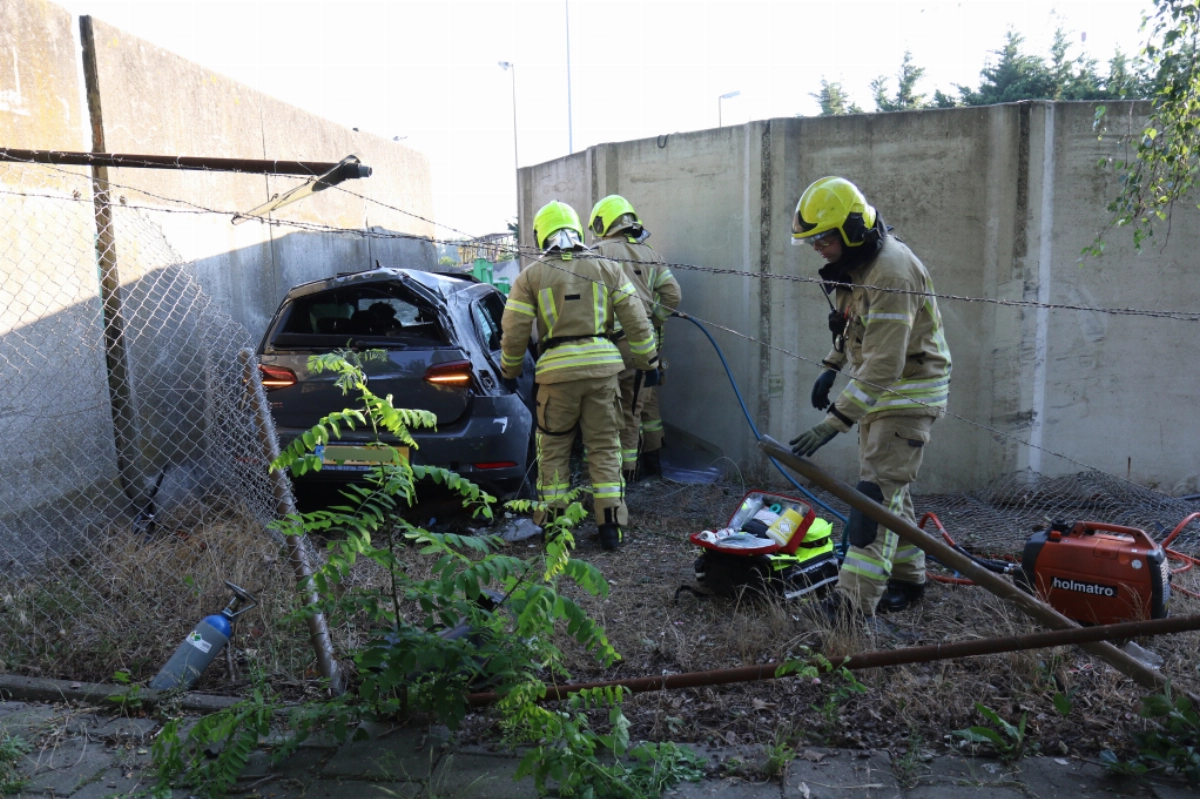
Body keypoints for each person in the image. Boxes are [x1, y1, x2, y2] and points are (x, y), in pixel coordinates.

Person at [788, 177, 951, 617]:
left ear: (852, 230)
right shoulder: (857, 267)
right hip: (882, 394)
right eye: (812, 240)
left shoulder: (891, 271)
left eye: (822, 238)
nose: (817, 248)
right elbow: (853, 328)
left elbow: (884, 362)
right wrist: (829, 367)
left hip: (906, 393)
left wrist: (833, 422)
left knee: (873, 498)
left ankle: (852, 603)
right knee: (891, 488)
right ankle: (908, 578)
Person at [500, 200, 659, 551]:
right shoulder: (607, 267)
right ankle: (610, 527)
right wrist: (649, 363)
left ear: (542, 235)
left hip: (555, 377)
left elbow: (514, 330)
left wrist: (510, 371)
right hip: (604, 372)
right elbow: (636, 318)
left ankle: (555, 529)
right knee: (604, 448)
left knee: (553, 449)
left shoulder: (531, 275)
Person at [589, 195, 682, 482]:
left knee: (617, 411)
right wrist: (652, 321)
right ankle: (653, 459)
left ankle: (624, 476)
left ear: (603, 222)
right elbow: (672, 296)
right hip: (645, 347)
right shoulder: (650, 253)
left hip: (608, 346)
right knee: (641, 402)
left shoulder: (594, 253)